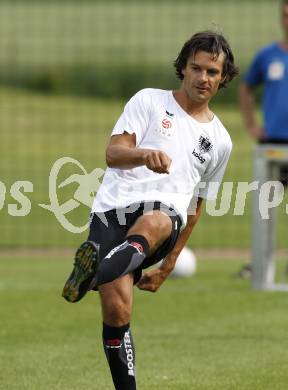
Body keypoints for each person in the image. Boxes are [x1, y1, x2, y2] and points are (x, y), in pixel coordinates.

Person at [62, 31, 238, 390]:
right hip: (111, 210)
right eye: (196, 68)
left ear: (223, 78)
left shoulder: (220, 141)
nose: (203, 78)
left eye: (212, 72)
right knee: (117, 309)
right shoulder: (149, 101)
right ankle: (100, 274)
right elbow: (113, 154)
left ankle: (92, 273)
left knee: (156, 220)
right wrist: (144, 154)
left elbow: (194, 207)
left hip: (162, 216)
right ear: (183, 69)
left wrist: (168, 265)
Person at [238, 0, 288, 278]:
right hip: (272, 146)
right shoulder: (267, 55)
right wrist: (251, 124)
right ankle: (258, 263)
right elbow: (246, 88)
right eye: (285, 15)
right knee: (265, 208)